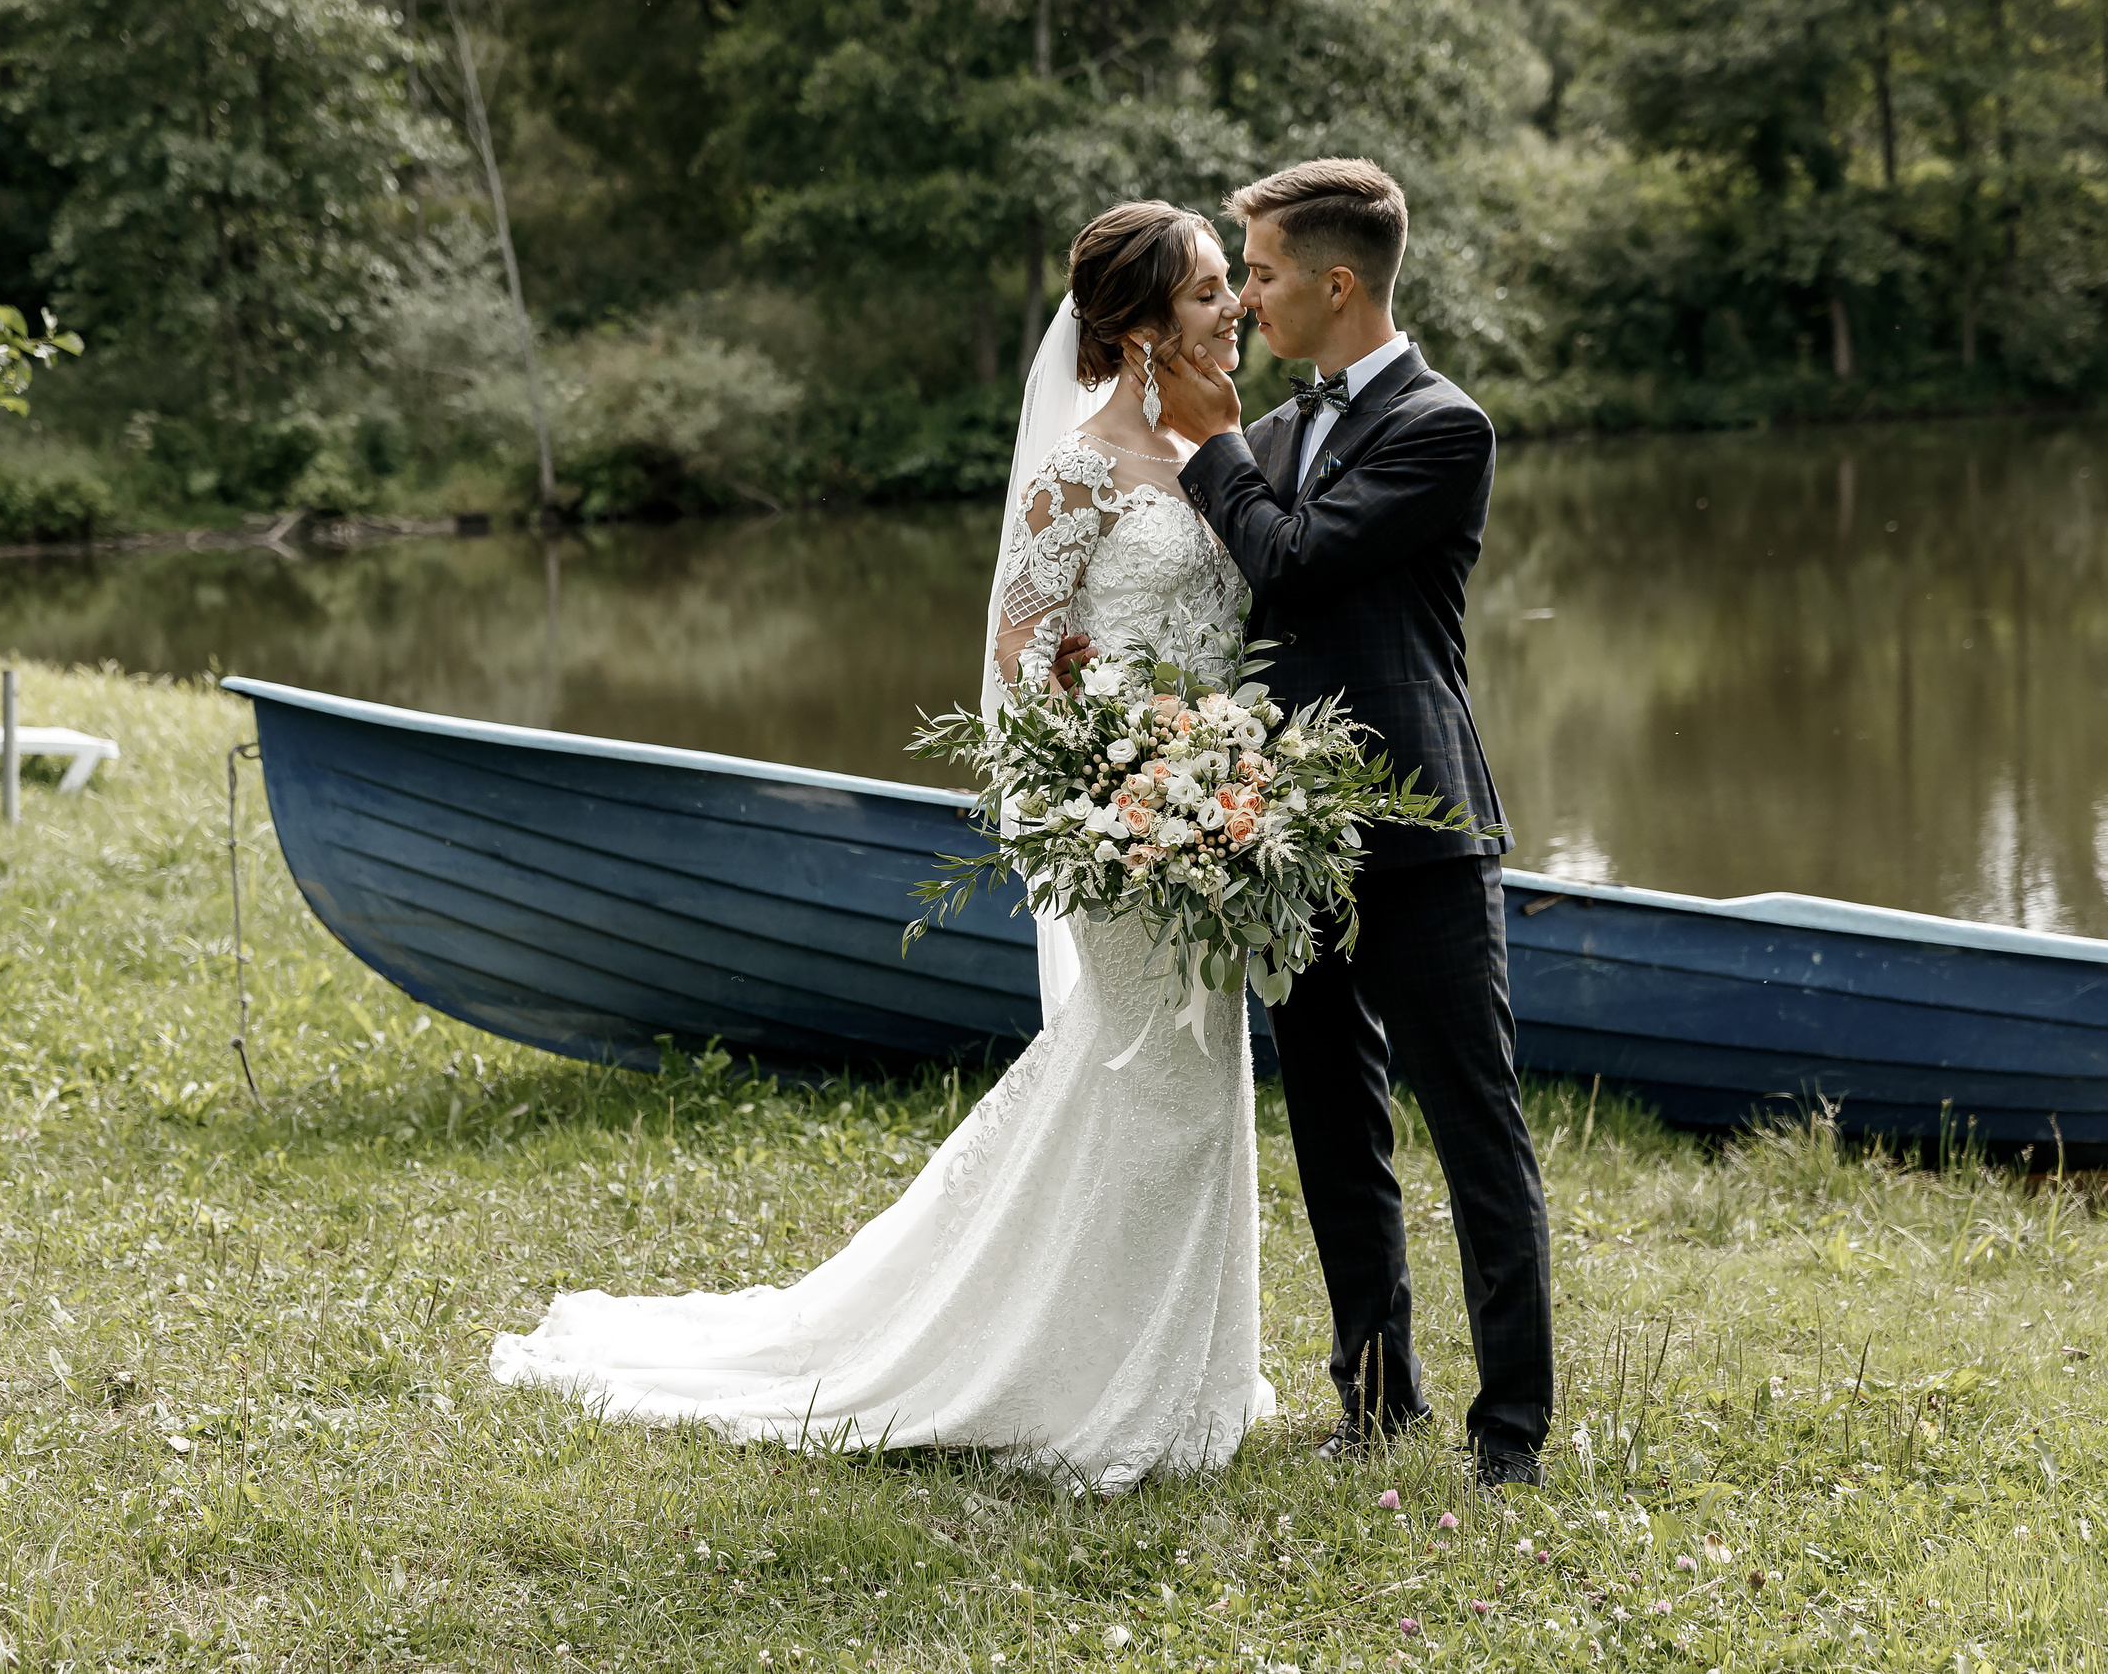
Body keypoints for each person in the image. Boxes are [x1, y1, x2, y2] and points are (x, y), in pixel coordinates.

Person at [491, 201, 1275, 1493]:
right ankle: (1084, 1382)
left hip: (1217, 819)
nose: (1230, 309)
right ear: (1138, 329)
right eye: (1204, 293)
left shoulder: (1214, 456)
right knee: (1150, 1088)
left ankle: (1183, 1375)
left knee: (1201, 1087)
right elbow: (1023, 658)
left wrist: (1228, 774)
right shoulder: (1078, 468)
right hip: (1128, 829)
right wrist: (1116, 787)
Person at [1152, 157, 1555, 1489]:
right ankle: (1374, 1402)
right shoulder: (1264, 437)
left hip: (1420, 828)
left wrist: (1206, 445)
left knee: (1474, 1123)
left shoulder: (1446, 429)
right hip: (1285, 834)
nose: (1245, 298)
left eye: (1259, 273)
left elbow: (1299, 559)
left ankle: (1511, 1435)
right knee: (1334, 1124)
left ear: (1337, 283)